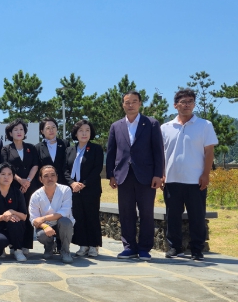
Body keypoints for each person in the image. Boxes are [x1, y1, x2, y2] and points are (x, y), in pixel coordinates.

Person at [106, 91, 164, 261]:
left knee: (146, 212)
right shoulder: (116, 126)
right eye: (127, 102)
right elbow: (111, 152)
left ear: (139, 103)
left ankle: (145, 248)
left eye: (134, 101)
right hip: (123, 176)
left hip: (146, 176)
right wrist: (111, 175)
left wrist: (158, 174)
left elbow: (158, 151)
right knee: (126, 213)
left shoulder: (151, 124)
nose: (130, 105)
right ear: (123, 105)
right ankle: (129, 247)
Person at [161, 89, 218, 261]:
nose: (187, 105)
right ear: (175, 105)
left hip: (195, 180)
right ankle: (174, 247)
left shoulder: (204, 125)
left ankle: (197, 250)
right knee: (172, 217)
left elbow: (209, 152)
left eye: (190, 101)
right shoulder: (165, 128)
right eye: (183, 102)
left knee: (197, 217)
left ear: (194, 104)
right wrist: (162, 174)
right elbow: (161, 154)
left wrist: (206, 174)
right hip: (171, 179)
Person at [65, 120, 104, 258]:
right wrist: (72, 183)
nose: (84, 133)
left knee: (92, 217)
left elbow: (97, 169)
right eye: (81, 130)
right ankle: (83, 245)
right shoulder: (69, 150)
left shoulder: (96, 149)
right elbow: (65, 170)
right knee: (79, 217)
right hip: (74, 190)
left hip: (90, 189)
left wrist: (83, 183)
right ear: (75, 133)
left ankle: (93, 245)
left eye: (87, 130)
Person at [1, 118, 39, 255]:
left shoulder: (31, 147)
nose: (19, 132)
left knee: (28, 213)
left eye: (21, 129)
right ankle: (14, 244)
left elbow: (35, 165)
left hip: (30, 185)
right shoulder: (6, 149)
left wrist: (27, 181)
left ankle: (26, 244)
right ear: (10, 133)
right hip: (13, 185)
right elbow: (6, 166)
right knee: (14, 214)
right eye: (15, 129)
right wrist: (19, 180)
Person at [29, 165, 75, 263]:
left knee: (65, 222)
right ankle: (49, 247)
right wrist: (45, 226)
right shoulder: (35, 196)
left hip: (62, 224)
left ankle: (65, 251)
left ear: (57, 177)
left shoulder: (65, 190)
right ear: (40, 179)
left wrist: (44, 218)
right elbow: (34, 219)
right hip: (46, 226)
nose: (50, 178)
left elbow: (65, 212)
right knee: (41, 235)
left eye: (53, 175)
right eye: (46, 176)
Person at [0, 163, 28, 261]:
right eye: (3, 174)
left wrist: (12, 212)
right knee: (0, 241)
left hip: (15, 226)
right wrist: (3, 217)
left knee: (15, 221)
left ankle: (17, 250)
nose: (6, 177)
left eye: (9, 174)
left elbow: (24, 216)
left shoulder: (17, 193)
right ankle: (0, 250)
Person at [34, 117, 68, 188]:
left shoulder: (65, 144)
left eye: (53, 127)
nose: (51, 130)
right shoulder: (37, 147)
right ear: (42, 131)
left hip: (63, 184)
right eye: (48, 128)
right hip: (45, 185)